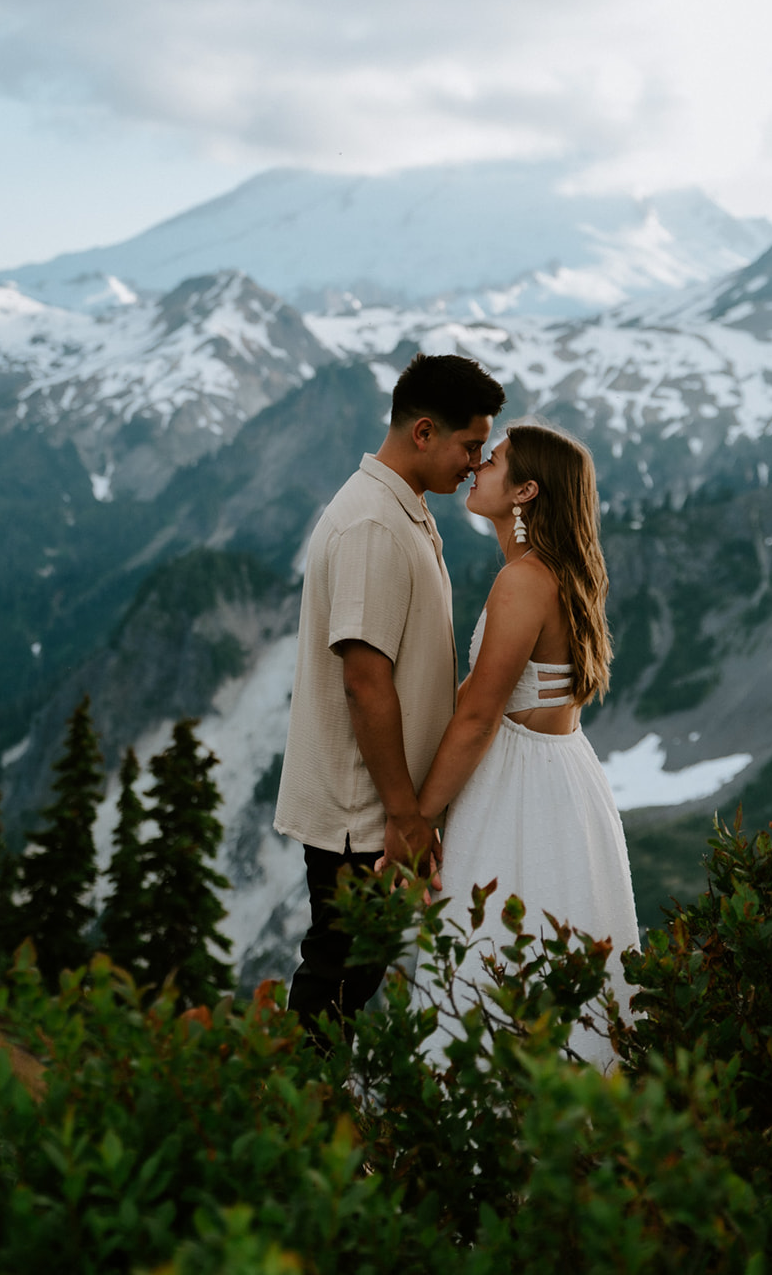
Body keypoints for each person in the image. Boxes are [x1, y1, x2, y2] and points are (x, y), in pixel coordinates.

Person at [274, 352, 506, 1044]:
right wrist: (404, 815)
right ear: (424, 432)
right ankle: (290, 1120)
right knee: (339, 976)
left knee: (349, 973)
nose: (476, 461)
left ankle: (298, 1118)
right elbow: (364, 679)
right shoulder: (374, 523)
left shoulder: (397, 507)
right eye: (470, 446)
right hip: (360, 811)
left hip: (373, 807)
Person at [413, 421, 638, 1067]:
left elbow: (479, 715)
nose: (480, 463)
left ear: (525, 492)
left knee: (486, 954)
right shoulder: (560, 573)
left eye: (497, 459)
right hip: (566, 781)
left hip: (515, 791)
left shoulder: (523, 581)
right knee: (557, 952)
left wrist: (415, 820)